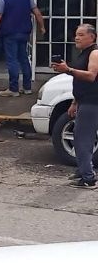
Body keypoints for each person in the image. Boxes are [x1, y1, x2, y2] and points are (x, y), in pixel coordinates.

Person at [52, 24, 98, 189]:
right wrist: (74, 102)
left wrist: (68, 69)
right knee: (82, 137)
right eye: (76, 34)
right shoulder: (83, 54)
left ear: (92, 37)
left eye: (81, 35)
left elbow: (91, 76)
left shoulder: (94, 53)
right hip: (83, 101)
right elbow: (79, 82)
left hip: (92, 102)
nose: (76, 38)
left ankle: (88, 178)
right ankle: (84, 170)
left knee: (82, 140)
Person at [0, 0, 46, 97]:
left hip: (10, 34)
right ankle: (27, 87)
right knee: (24, 59)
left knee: (12, 60)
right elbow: (37, 12)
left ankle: (13, 89)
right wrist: (42, 27)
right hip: (24, 33)